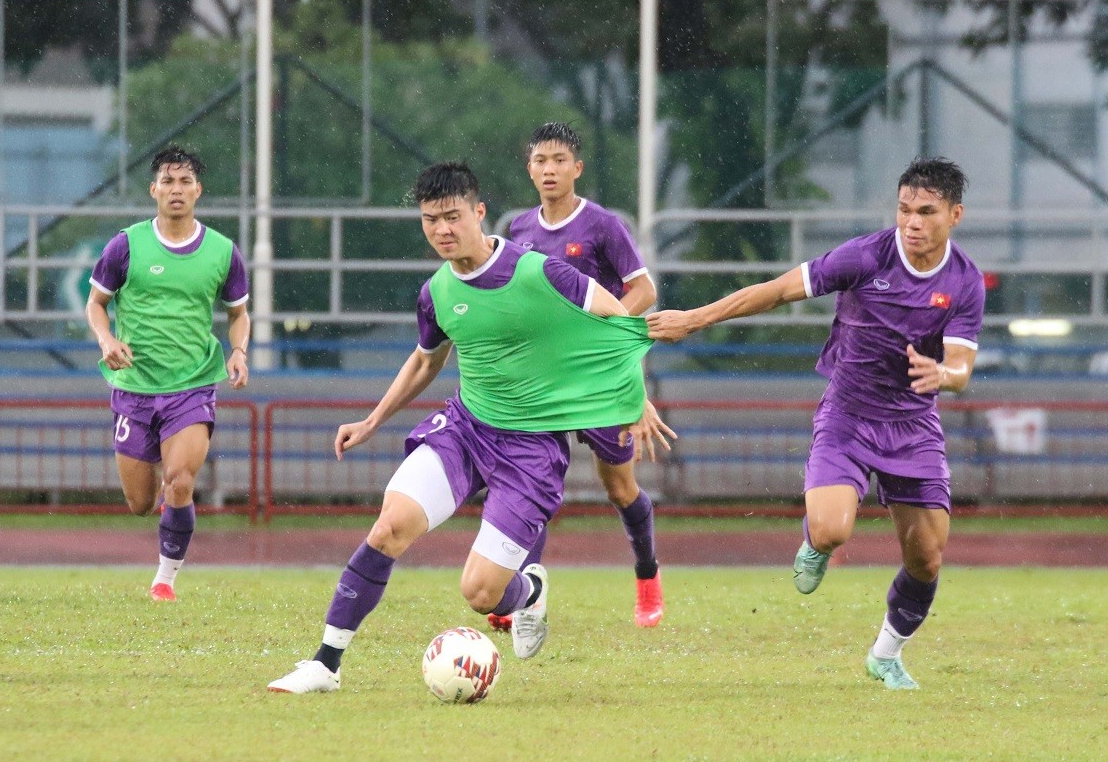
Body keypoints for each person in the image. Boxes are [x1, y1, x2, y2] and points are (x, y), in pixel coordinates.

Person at [267, 161, 673, 694]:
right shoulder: (436, 292)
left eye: (452, 217)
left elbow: (619, 323)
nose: (441, 230)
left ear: (478, 213)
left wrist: (633, 397)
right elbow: (424, 362)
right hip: (465, 430)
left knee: (481, 593)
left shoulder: (540, 273)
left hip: (531, 449)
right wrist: (372, 420)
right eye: (430, 220)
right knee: (390, 526)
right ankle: (325, 665)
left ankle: (527, 591)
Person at [647, 158, 984, 690]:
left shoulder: (964, 281)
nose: (912, 222)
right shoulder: (865, 256)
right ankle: (814, 542)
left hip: (914, 426)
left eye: (926, 212)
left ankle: (885, 654)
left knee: (927, 558)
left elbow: (962, 369)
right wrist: (694, 319)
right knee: (832, 529)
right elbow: (778, 290)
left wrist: (943, 372)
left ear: (954, 215)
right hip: (848, 414)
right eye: (903, 210)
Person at [495, 121, 664, 631]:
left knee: (619, 487)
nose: (549, 169)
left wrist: (598, 338)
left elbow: (644, 292)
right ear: (529, 169)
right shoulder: (519, 230)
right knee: (535, 483)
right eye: (541, 160)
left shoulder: (603, 226)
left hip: (596, 380)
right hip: (542, 381)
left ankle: (648, 577)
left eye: (559, 160)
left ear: (577, 168)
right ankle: (522, 598)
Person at [86, 145, 251, 602]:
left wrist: (238, 350)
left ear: (198, 190)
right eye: (168, 181)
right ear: (153, 189)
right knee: (140, 503)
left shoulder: (222, 251)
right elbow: (96, 304)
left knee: (180, 480)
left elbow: (239, 313)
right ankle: (165, 507)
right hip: (135, 388)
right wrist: (107, 341)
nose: (176, 190)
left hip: (193, 384)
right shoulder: (126, 245)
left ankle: (165, 578)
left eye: (185, 182)